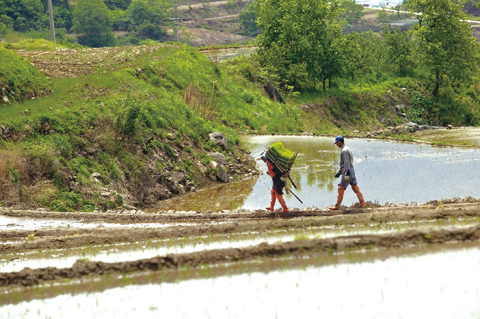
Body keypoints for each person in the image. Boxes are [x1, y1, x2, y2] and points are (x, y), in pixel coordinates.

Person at [329, 136, 366, 210]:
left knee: (341, 187)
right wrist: (339, 173)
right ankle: (362, 203)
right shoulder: (347, 148)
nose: (336, 144)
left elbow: (346, 164)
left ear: (339, 142)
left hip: (347, 172)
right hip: (351, 171)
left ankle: (337, 206)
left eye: (336, 143)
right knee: (355, 187)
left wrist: (344, 174)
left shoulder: (344, 151)